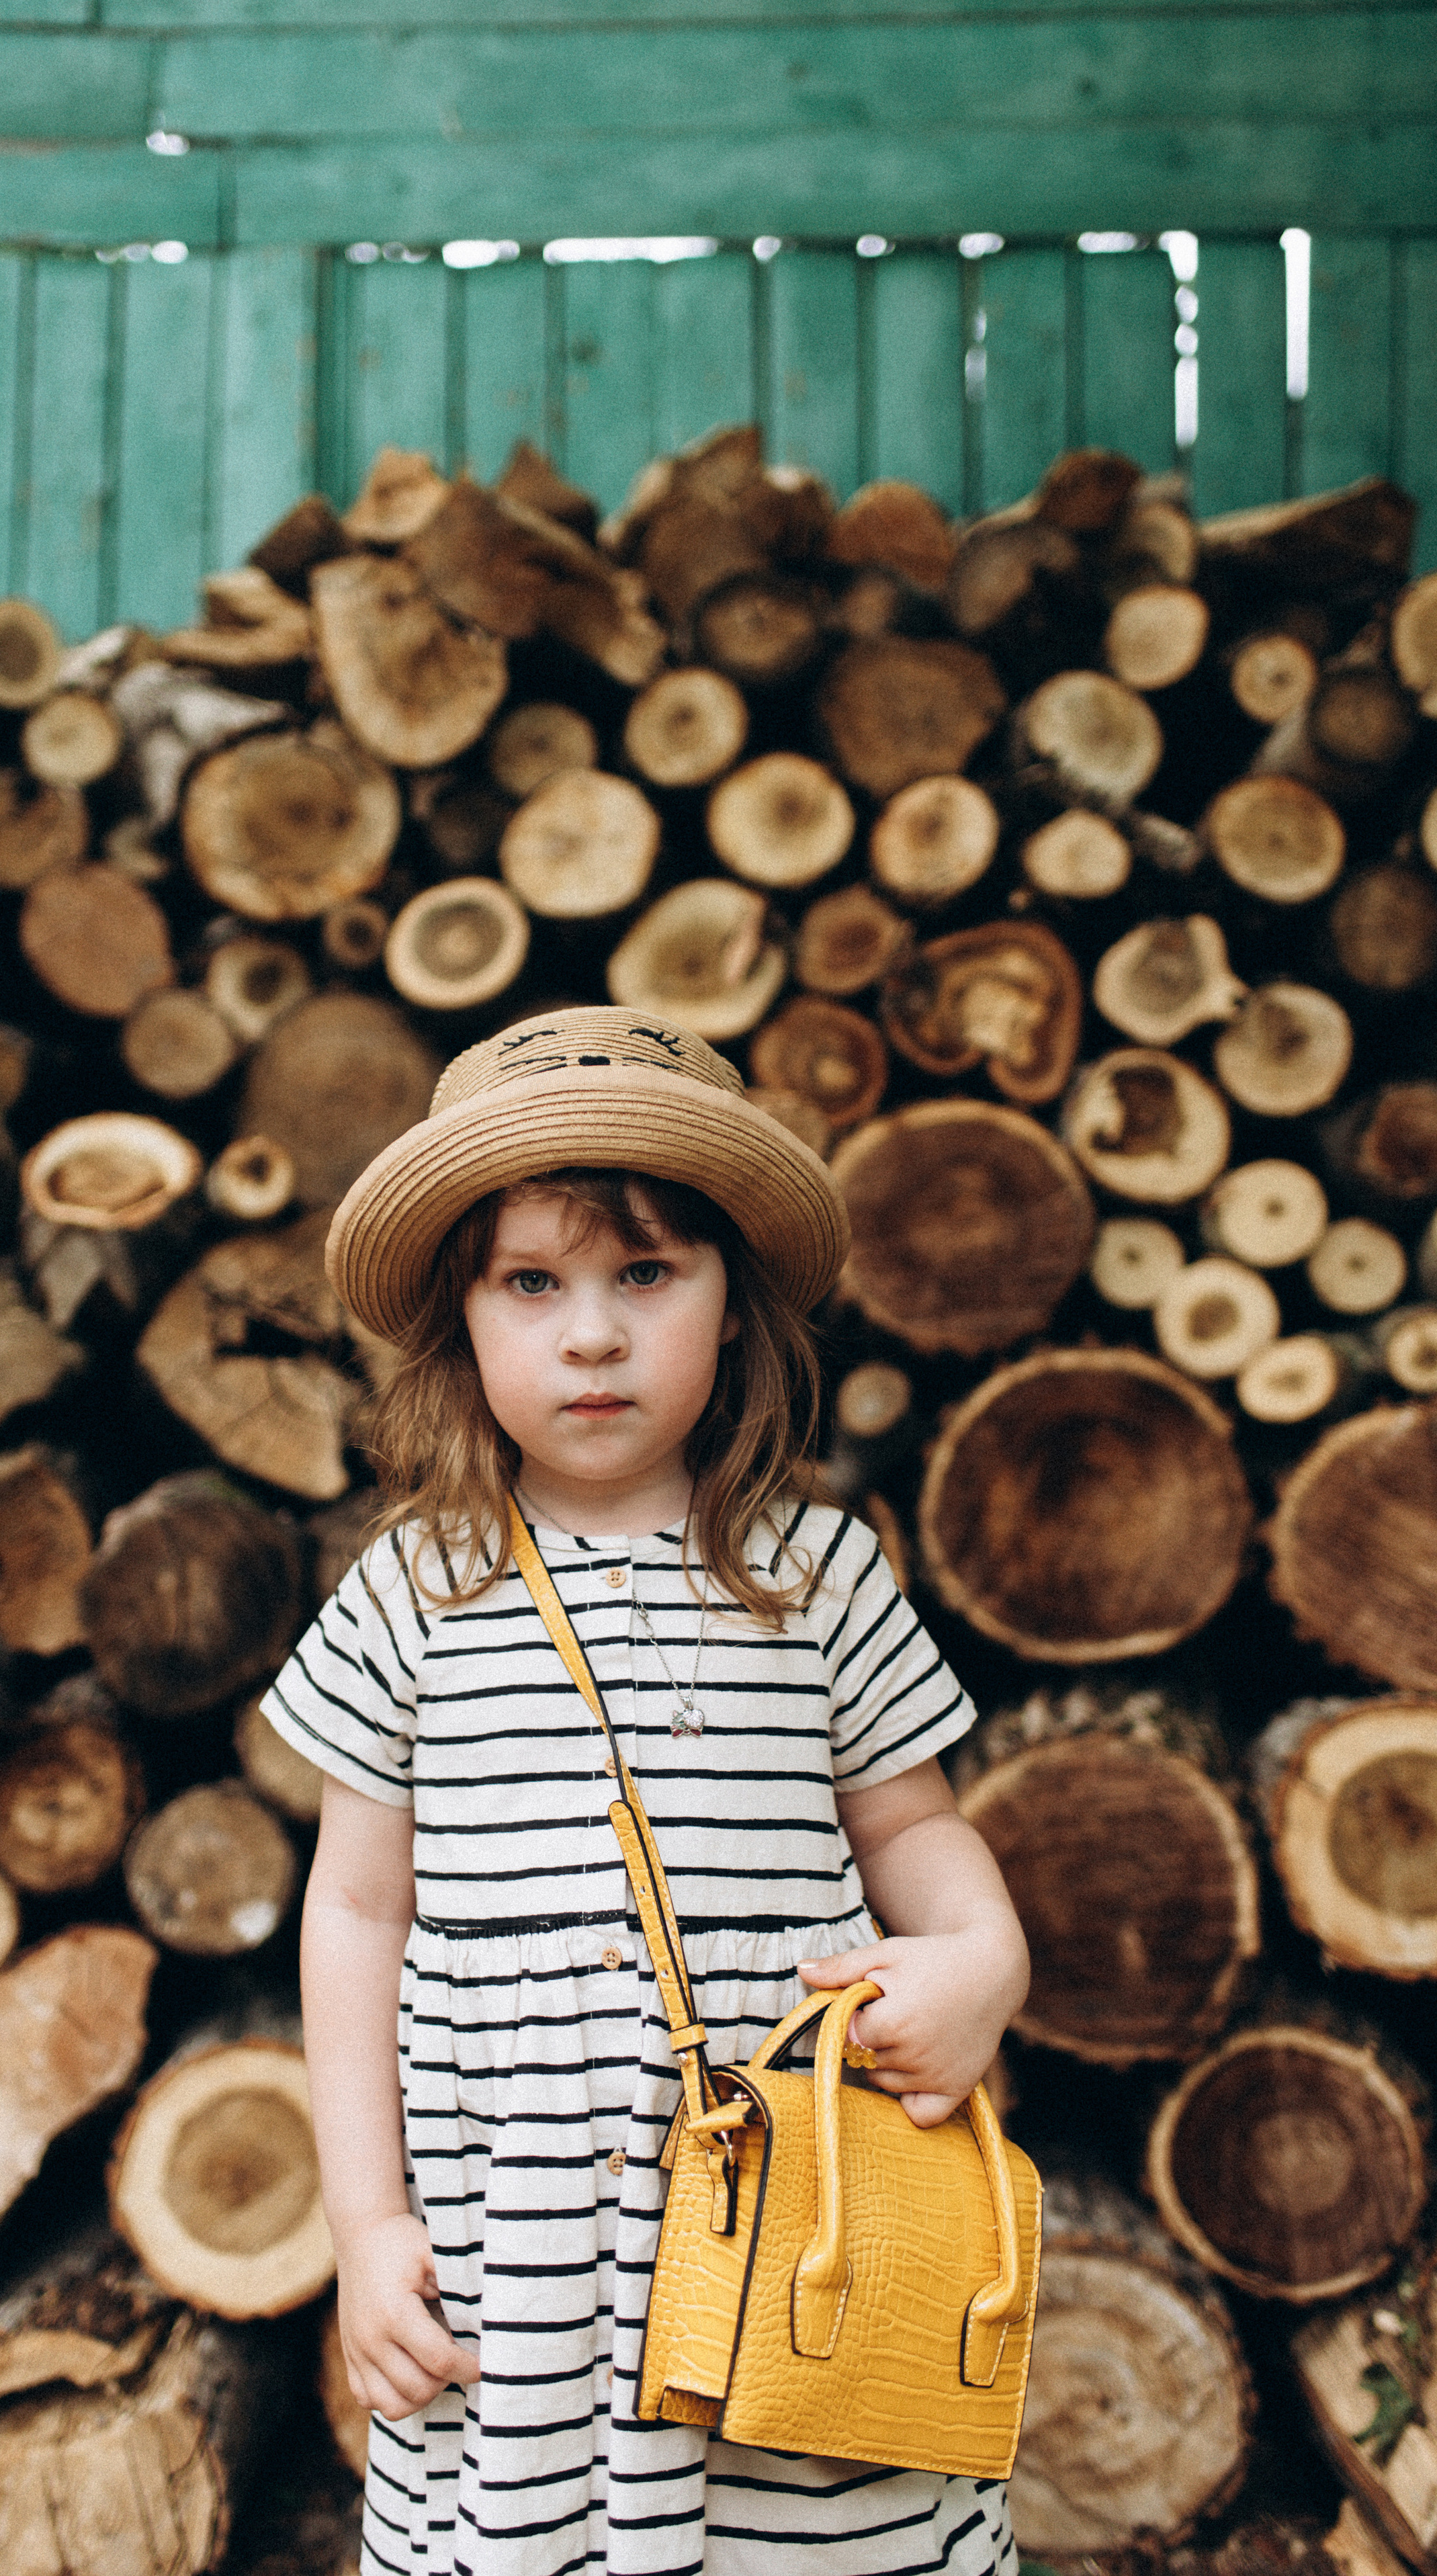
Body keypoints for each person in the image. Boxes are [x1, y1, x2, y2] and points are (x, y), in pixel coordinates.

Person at [266, 1005, 1030, 2576]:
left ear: (734, 1309)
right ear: (459, 1323)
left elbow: (915, 1824)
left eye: (645, 1275)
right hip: (517, 2237)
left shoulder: (812, 1575)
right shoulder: (415, 1591)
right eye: (530, 1283)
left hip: (784, 2210)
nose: (591, 1335)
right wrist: (363, 2225)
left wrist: (982, 1961)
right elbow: (352, 1910)